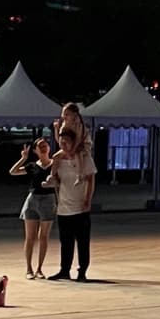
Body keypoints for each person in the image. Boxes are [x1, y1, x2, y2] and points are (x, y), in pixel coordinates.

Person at [50, 101, 98, 281]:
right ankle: (64, 269)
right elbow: (59, 139)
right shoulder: (60, 155)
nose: (62, 144)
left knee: (82, 242)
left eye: (67, 114)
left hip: (80, 209)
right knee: (66, 242)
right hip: (64, 209)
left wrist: (87, 200)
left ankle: (82, 271)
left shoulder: (79, 132)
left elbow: (91, 178)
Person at [10, 136, 58, 278]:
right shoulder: (32, 166)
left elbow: (61, 181)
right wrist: (23, 158)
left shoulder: (55, 164)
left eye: (45, 145)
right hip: (33, 200)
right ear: (36, 150)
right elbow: (13, 171)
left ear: (49, 148)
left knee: (43, 236)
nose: (43, 147)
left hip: (49, 200)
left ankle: (39, 269)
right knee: (30, 237)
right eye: (40, 146)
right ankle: (29, 269)